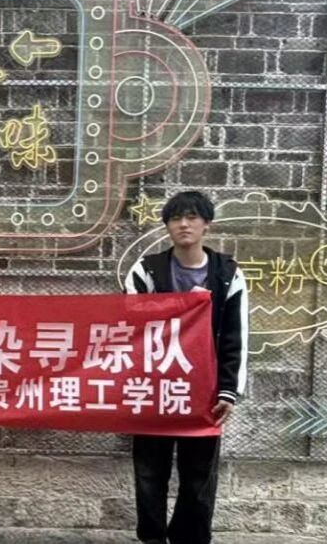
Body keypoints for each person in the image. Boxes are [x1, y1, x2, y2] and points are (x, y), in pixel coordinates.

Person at [123, 191, 248, 544]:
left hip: (203, 391)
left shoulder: (227, 274)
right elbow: (129, 322)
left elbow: (236, 334)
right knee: (150, 473)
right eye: (176, 218)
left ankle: (190, 539)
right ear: (167, 226)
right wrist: (183, 306)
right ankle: (152, 539)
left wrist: (228, 391)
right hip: (153, 388)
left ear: (207, 224)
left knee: (199, 476)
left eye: (192, 217)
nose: (184, 224)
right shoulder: (146, 270)